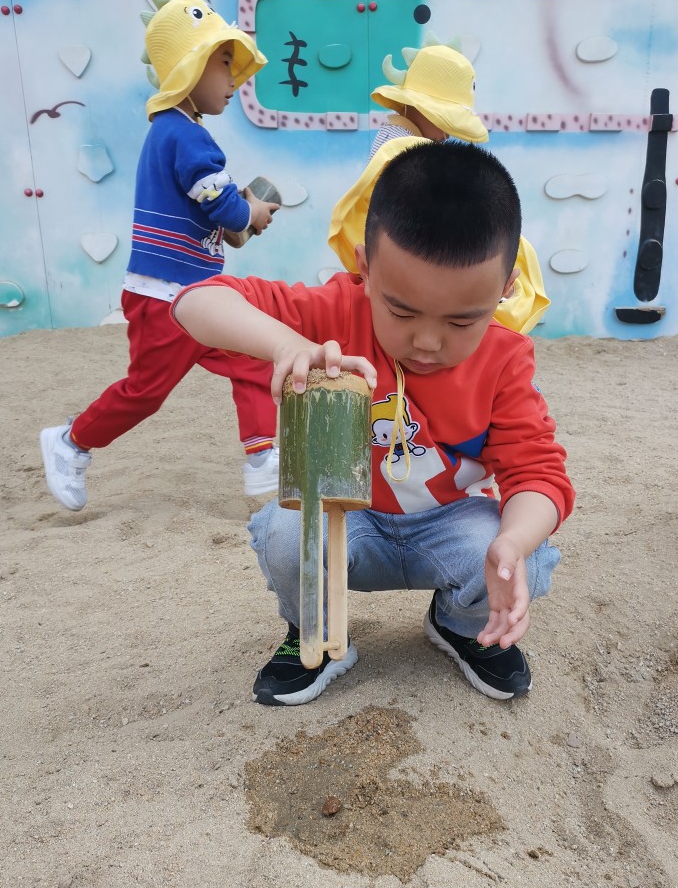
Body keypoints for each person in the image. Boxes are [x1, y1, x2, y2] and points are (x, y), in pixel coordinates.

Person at [172, 143, 575, 707]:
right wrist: (289, 344)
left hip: (449, 526)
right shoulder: (334, 312)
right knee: (286, 532)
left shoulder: (505, 359)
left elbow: (537, 475)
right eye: (401, 311)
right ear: (365, 268)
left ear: (505, 288)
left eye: (462, 321)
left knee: (520, 553)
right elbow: (195, 303)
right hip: (349, 521)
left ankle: (461, 626)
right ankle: (315, 632)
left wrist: (513, 540)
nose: (427, 341)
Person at [40, 0, 281, 511]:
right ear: (190, 67)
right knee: (145, 392)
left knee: (252, 355)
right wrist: (252, 212)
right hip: (167, 297)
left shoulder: (178, 132)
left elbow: (209, 203)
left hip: (196, 293)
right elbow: (225, 208)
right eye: (223, 63)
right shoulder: (187, 137)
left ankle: (262, 456)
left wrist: (237, 212)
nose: (233, 79)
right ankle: (70, 442)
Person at [340, 39, 550, 336]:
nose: (448, 133)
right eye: (444, 120)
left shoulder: (394, 136)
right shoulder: (404, 148)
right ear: (417, 107)